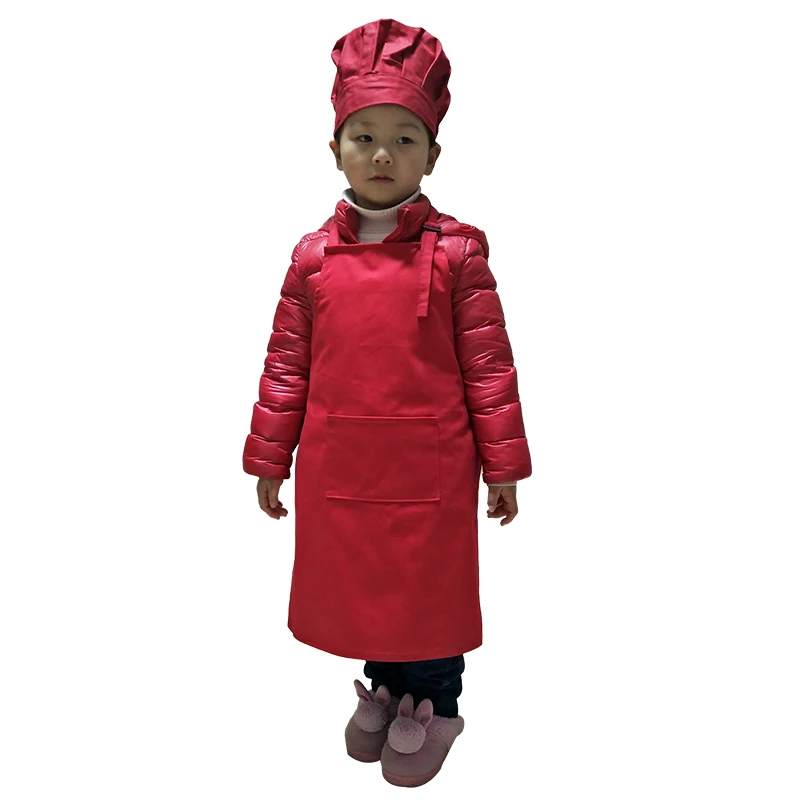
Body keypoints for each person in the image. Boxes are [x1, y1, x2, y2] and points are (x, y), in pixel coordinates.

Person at [242, 18, 532, 787]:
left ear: (432, 156)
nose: (381, 154)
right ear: (334, 148)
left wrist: (504, 465)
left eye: (404, 140)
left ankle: (434, 704)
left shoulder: (458, 254)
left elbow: (489, 368)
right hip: (343, 464)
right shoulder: (312, 258)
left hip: (429, 470)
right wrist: (269, 455)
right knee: (368, 591)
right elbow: (286, 364)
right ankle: (387, 687)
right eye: (364, 136)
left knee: (424, 598)